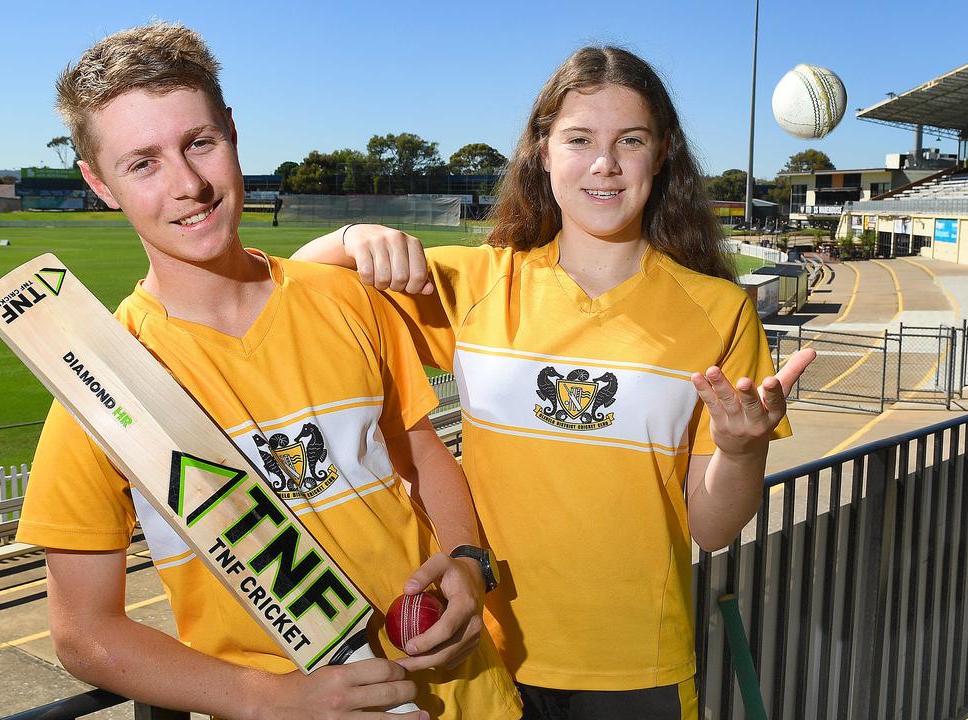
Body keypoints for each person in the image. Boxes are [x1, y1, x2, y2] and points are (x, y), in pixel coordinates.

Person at [15, 22, 521, 720]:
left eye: (199, 143)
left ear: (231, 132)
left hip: (470, 696)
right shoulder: (102, 382)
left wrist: (467, 559)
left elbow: (427, 458)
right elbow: (84, 634)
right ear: (100, 183)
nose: (187, 184)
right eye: (143, 164)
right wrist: (271, 699)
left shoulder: (345, 298)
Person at [293, 46, 815, 720]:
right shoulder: (478, 284)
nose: (605, 163)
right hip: (482, 656)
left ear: (660, 156)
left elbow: (711, 529)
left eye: (631, 141)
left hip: (637, 668)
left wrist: (743, 450)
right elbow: (296, 294)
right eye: (579, 140)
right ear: (543, 151)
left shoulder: (718, 311)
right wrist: (352, 235)